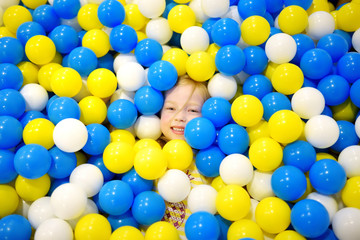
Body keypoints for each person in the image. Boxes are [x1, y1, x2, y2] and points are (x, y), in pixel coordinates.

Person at [158, 74, 212, 239]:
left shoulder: (209, 160)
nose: (180, 117)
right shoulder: (151, 152)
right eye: (171, 108)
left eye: (193, 110)